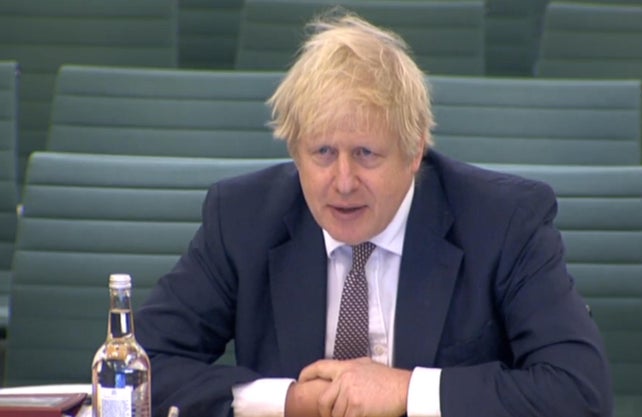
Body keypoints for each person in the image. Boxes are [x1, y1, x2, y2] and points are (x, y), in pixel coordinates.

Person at [134, 11, 613, 417]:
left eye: (366, 153)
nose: (342, 182)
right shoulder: (242, 218)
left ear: (414, 151)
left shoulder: (505, 222)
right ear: (295, 151)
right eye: (322, 152)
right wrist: (287, 401)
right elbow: (138, 366)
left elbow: (578, 390)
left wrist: (406, 391)